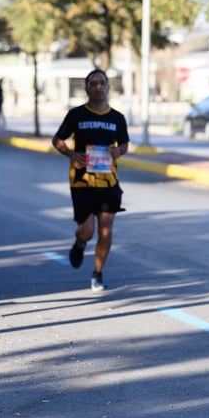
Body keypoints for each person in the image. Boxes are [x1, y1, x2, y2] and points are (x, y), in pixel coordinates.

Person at [52, 69, 129, 291]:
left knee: (106, 228)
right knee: (88, 231)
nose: (98, 87)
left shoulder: (117, 118)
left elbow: (124, 144)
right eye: (93, 83)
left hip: (108, 182)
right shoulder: (77, 115)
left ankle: (97, 273)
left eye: (102, 83)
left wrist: (118, 151)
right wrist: (71, 154)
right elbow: (57, 140)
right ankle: (79, 242)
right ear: (86, 88)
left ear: (108, 87)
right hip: (82, 182)